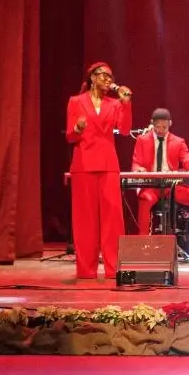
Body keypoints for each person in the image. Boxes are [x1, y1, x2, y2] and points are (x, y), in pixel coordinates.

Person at [66, 62, 133, 280]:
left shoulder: (113, 104)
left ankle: (114, 269)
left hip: (107, 164)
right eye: (104, 75)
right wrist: (77, 129)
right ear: (93, 77)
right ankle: (86, 270)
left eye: (110, 76)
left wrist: (126, 103)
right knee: (85, 219)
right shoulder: (76, 102)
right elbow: (70, 136)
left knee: (113, 218)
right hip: (83, 164)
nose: (108, 79)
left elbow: (124, 131)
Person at [131, 108, 189, 238]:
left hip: (172, 186)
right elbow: (136, 163)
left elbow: (187, 159)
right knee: (145, 200)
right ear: (152, 123)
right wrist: (138, 169)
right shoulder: (142, 140)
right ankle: (143, 242)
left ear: (170, 124)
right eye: (158, 127)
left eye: (164, 127)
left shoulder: (178, 142)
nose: (161, 130)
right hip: (150, 186)